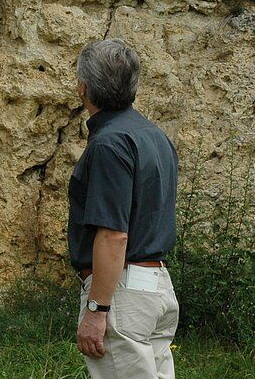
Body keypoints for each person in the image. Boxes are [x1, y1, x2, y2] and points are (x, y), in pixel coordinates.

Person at [68, 38, 180, 378]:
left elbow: (114, 235)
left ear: (83, 88)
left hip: (124, 294)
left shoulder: (109, 143)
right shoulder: (154, 135)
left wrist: (98, 309)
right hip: (157, 286)